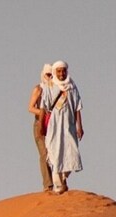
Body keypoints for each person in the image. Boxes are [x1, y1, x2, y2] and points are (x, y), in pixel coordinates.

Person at [43, 60, 84, 194]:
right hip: (54, 125)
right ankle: (58, 184)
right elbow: (45, 106)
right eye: (59, 71)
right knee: (55, 153)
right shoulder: (50, 86)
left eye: (63, 71)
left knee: (71, 152)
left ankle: (63, 177)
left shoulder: (72, 86)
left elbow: (78, 107)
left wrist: (79, 126)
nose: (61, 73)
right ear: (55, 72)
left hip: (69, 125)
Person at [28, 63, 54, 191]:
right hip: (40, 123)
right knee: (44, 154)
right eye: (48, 74)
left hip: (53, 125)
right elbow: (30, 107)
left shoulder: (55, 90)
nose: (50, 77)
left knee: (54, 154)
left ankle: (57, 182)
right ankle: (48, 185)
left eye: (52, 75)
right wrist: (43, 113)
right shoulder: (39, 89)